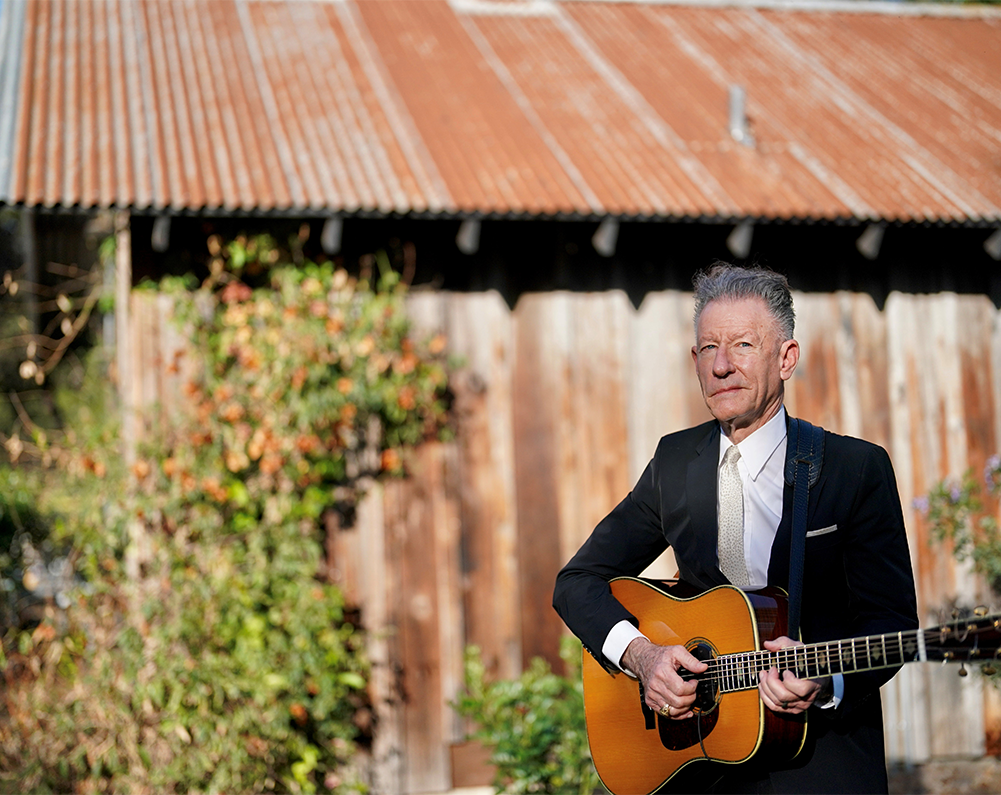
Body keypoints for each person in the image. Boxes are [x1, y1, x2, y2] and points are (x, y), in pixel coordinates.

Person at [553, 263, 917, 794]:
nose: (721, 366)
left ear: (786, 359)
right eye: (707, 349)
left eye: (743, 345)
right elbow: (577, 581)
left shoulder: (853, 468)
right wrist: (643, 656)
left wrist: (828, 680)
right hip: (699, 764)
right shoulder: (674, 462)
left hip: (821, 767)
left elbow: (892, 624)